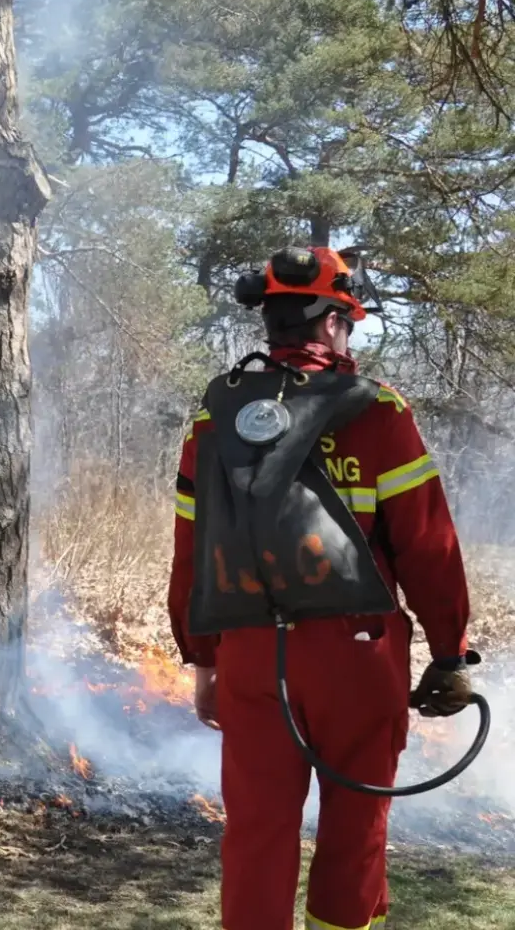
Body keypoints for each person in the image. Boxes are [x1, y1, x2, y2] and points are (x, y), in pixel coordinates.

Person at [166, 239, 477, 930]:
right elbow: (428, 546)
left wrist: (205, 658)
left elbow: (192, 552)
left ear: (270, 322)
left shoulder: (217, 418)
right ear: (335, 319)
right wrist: (450, 652)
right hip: (357, 653)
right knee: (355, 827)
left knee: (255, 834)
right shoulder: (379, 413)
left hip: (250, 651)